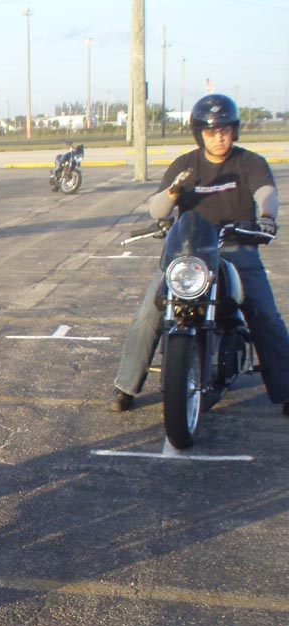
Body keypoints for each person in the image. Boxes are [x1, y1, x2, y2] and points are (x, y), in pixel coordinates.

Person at [111, 93, 289, 415]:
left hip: (236, 247)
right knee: (149, 313)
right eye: (211, 131)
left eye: (225, 130)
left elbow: (267, 193)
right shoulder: (185, 166)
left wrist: (266, 216)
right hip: (189, 252)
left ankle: (285, 389)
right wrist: (173, 192)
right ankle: (126, 386)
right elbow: (157, 210)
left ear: (234, 131)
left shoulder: (249, 163)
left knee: (265, 315)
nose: (219, 136)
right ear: (199, 134)